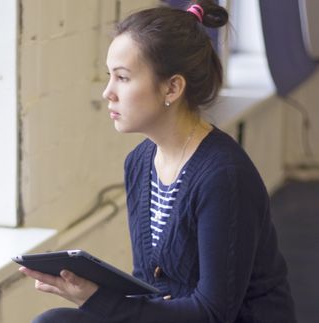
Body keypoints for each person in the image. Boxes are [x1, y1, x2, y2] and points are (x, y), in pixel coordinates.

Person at [19, 1, 297, 322]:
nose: (108, 92)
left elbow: (212, 313)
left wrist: (98, 299)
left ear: (172, 87)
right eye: (110, 76)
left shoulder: (223, 175)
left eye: (123, 78)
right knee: (53, 320)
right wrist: (90, 291)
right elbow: (148, 286)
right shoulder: (139, 162)